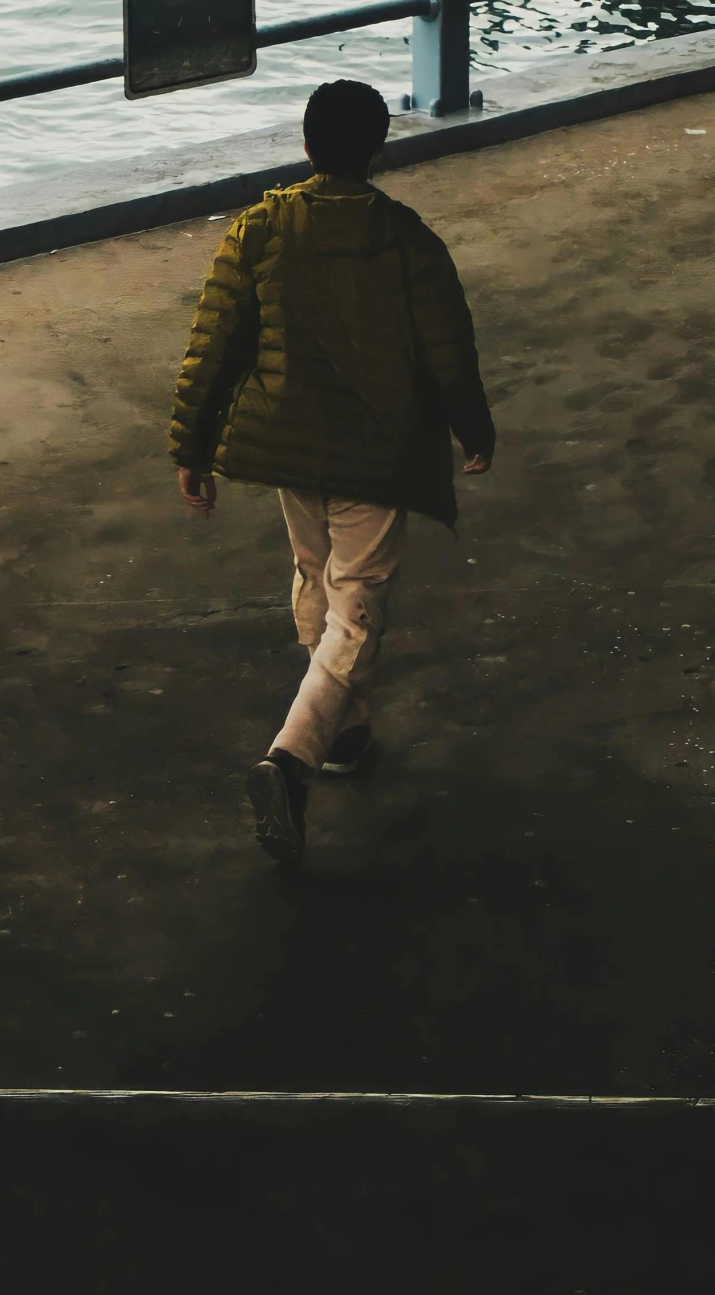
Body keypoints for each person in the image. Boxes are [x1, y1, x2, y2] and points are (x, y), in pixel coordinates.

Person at [170, 79, 496, 867]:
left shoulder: (260, 228)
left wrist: (192, 444)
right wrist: (472, 429)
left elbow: (214, 341)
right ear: (377, 148)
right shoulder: (408, 240)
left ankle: (348, 732)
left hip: (288, 441)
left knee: (315, 577)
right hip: (376, 454)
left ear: (307, 145)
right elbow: (447, 351)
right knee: (357, 604)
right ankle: (290, 758)